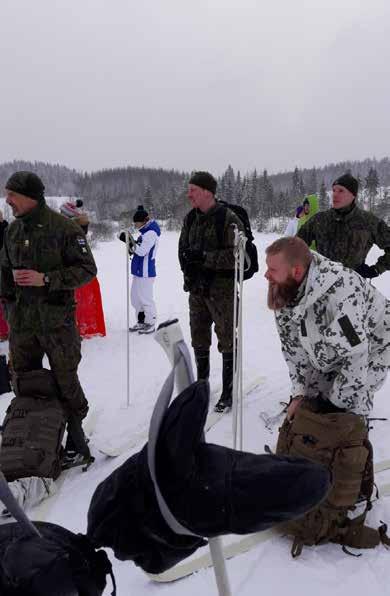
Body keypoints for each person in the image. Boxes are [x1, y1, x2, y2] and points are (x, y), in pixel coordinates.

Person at [0, 171, 97, 464]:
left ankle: (77, 439)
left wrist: (47, 279)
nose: (8, 200)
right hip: (22, 325)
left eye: (12, 195)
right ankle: (35, 438)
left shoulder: (64, 229)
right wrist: (8, 302)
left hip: (56, 324)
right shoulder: (13, 232)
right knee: (25, 381)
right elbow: (4, 272)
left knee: (66, 379)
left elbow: (87, 269)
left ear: (29, 196)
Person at [265, 236, 390, 418]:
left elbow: (356, 357)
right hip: (337, 347)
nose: (266, 275)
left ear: (297, 272)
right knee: (311, 402)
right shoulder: (285, 290)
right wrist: (299, 394)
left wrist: (335, 405)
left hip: (374, 346)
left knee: (348, 409)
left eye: (273, 270)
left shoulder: (341, 295)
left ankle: (352, 439)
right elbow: (294, 351)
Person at [178, 171, 244, 413]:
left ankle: (227, 392)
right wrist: (188, 267)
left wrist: (205, 258)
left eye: (193, 190)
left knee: (226, 340)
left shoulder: (229, 219)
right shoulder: (190, 219)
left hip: (222, 293)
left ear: (207, 191)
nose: (189, 195)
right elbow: (182, 249)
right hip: (197, 290)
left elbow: (238, 257)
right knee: (199, 338)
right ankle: (202, 385)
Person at [297, 173, 390, 278]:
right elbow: (295, 247)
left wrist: (376, 270)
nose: (335, 194)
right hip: (320, 284)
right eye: (334, 190)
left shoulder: (368, 222)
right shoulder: (320, 220)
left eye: (341, 191)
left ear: (353, 195)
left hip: (352, 286)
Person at [120, 205, 161, 334]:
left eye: (136, 223)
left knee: (145, 298)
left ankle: (151, 322)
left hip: (146, 271)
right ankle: (141, 321)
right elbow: (137, 248)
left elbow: (142, 251)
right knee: (135, 298)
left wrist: (130, 242)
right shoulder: (145, 232)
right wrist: (129, 242)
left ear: (143, 221)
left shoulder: (151, 233)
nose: (135, 225)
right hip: (139, 270)